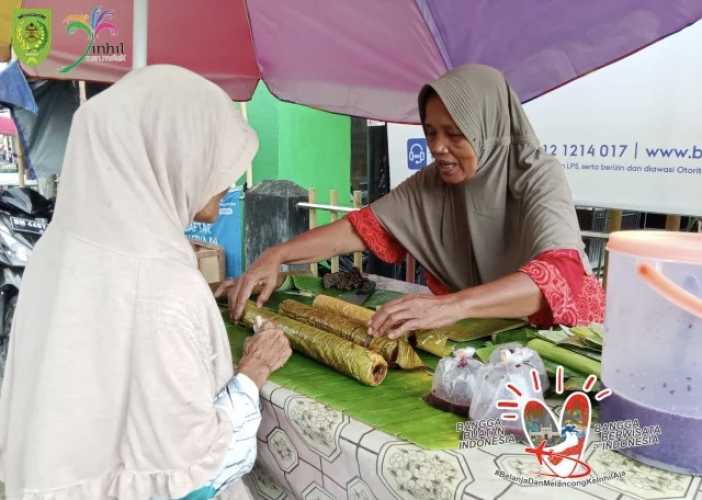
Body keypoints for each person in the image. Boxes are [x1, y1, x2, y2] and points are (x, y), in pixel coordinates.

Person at [0, 65, 292, 500]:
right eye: (211, 153)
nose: (226, 178)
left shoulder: (53, 253)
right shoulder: (163, 285)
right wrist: (253, 372)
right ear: (172, 154)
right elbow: (197, 478)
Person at [220, 64, 605, 339]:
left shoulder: (537, 174)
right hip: (487, 340)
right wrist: (278, 254)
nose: (438, 148)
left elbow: (559, 278)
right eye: (431, 132)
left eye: (455, 134)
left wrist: (452, 306)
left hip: (561, 344)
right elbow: (364, 227)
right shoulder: (434, 182)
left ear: (488, 128)